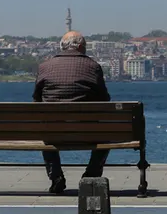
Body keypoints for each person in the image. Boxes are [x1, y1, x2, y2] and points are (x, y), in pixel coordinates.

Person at [33, 31, 111, 194]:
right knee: (107, 133)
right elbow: (105, 99)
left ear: (62, 46)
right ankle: (90, 175)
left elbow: (37, 100)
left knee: (45, 129)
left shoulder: (44, 66)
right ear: (82, 47)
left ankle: (56, 177)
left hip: (53, 132)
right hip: (87, 132)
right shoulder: (93, 67)